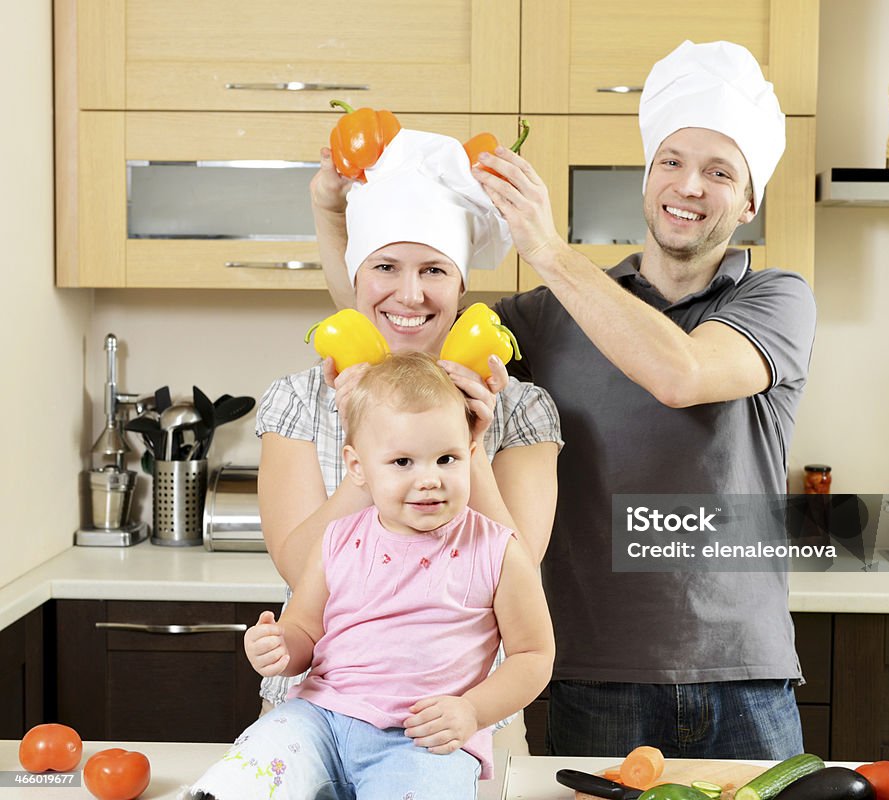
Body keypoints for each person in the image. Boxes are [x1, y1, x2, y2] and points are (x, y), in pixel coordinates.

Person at [311, 39, 817, 760]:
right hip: (588, 672)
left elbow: (681, 375)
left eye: (719, 171)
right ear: (648, 177)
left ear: (748, 199)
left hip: (743, 673)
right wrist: (334, 219)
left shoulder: (776, 299)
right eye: (671, 161)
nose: (689, 185)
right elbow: (400, 327)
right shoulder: (544, 318)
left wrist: (545, 244)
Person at [257, 128, 562, 756]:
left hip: (466, 722)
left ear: (460, 286)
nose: (411, 294)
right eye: (385, 268)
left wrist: (468, 444)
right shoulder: (302, 399)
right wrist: (362, 451)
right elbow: (300, 568)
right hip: (317, 717)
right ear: (357, 275)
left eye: (434, 270)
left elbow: (517, 571)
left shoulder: (521, 408)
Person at [190, 352, 555, 800]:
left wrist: (472, 712)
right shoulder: (337, 539)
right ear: (358, 467)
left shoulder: (499, 550)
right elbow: (304, 628)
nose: (429, 480)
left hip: (423, 740)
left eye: (447, 459)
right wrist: (280, 648)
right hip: (319, 720)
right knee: (247, 771)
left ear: (472, 453)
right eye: (403, 462)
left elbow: (534, 655)